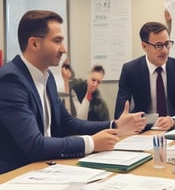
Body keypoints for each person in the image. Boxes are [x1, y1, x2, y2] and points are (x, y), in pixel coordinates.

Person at [0, 10, 147, 174]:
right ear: (34, 43)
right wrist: (90, 143)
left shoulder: (46, 78)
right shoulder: (11, 80)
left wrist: (115, 124)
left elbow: (67, 123)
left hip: (46, 168)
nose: (64, 49)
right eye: (57, 41)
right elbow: (34, 145)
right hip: (17, 174)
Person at [114, 21, 175, 131]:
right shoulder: (130, 70)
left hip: (174, 129)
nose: (165, 50)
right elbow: (120, 114)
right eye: (159, 45)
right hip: (142, 130)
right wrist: (144, 121)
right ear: (144, 46)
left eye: (167, 44)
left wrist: (173, 121)